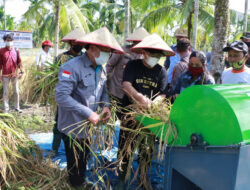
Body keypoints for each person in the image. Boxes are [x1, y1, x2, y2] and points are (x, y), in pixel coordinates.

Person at [55, 27, 124, 188]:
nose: (108, 54)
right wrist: (88, 113)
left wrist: (105, 106)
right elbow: (61, 96)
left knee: (84, 157)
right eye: (106, 50)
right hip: (72, 126)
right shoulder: (71, 67)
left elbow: (103, 92)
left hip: (88, 126)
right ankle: (77, 184)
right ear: (92, 48)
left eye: (110, 51)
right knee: (75, 163)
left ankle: (81, 181)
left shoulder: (101, 69)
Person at [118, 33, 175, 189]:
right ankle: (122, 179)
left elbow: (163, 93)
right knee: (125, 147)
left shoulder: (161, 71)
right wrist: (140, 99)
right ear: (144, 52)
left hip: (150, 118)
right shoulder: (132, 65)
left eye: (159, 55)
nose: (156, 57)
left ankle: (143, 178)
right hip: (129, 113)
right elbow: (126, 85)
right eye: (153, 53)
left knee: (146, 150)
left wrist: (153, 104)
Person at [51, 28, 85, 156]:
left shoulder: (85, 58)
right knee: (59, 122)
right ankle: (54, 149)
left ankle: (77, 151)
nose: (78, 46)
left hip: (81, 97)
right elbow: (55, 77)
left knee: (79, 124)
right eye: (76, 43)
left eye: (80, 43)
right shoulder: (62, 58)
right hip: (65, 96)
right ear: (71, 43)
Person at [106, 27, 149, 117]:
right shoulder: (122, 50)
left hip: (132, 95)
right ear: (134, 41)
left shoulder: (144, 56)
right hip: (117, 91)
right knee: (114, 117)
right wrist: (105, 82)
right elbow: (109, 65)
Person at [0, 33, 23, 113]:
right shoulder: (1, 51)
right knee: (6, 92)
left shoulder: (16, 50)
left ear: (13, 41)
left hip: (15, 74)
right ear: (4, 41)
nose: (9, 42)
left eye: (10, 40)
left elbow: (19, 61)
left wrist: (22, 72)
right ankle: (6, 109)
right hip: (5, 75)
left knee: (16, 91)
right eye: (7, 40)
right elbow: (0, 64)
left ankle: (17, 107)